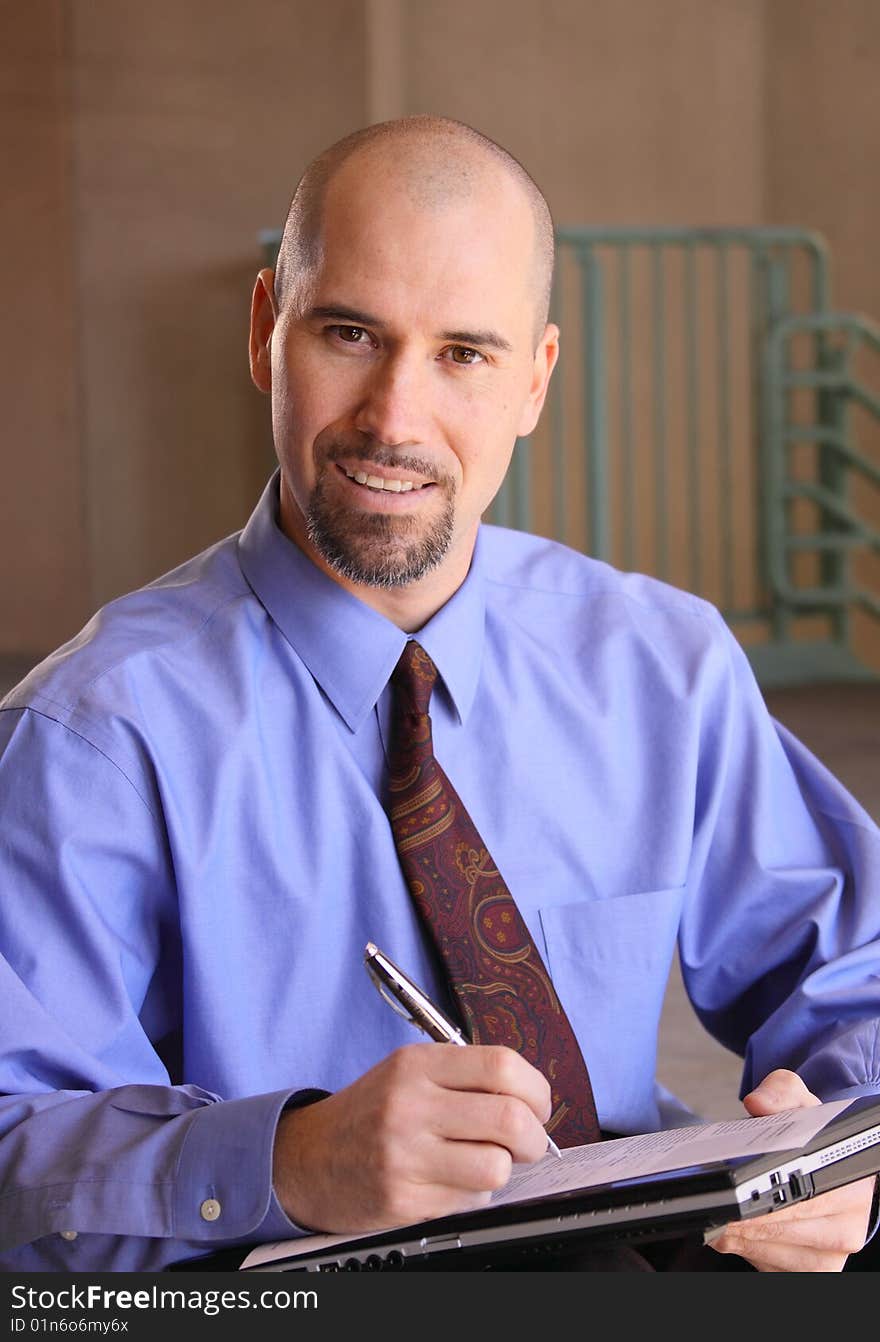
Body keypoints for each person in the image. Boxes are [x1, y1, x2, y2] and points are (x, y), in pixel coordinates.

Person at [0, 115, 878, 1275]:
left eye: (464, 353)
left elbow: (854, 971)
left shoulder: (661, 662)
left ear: (535, 380)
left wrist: (840, 1150)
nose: (396, 419)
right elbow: (15, 1148)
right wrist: (289, 1160)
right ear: (267, 332)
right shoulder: (93, 734)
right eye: (351, 333)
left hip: (638, 1256)